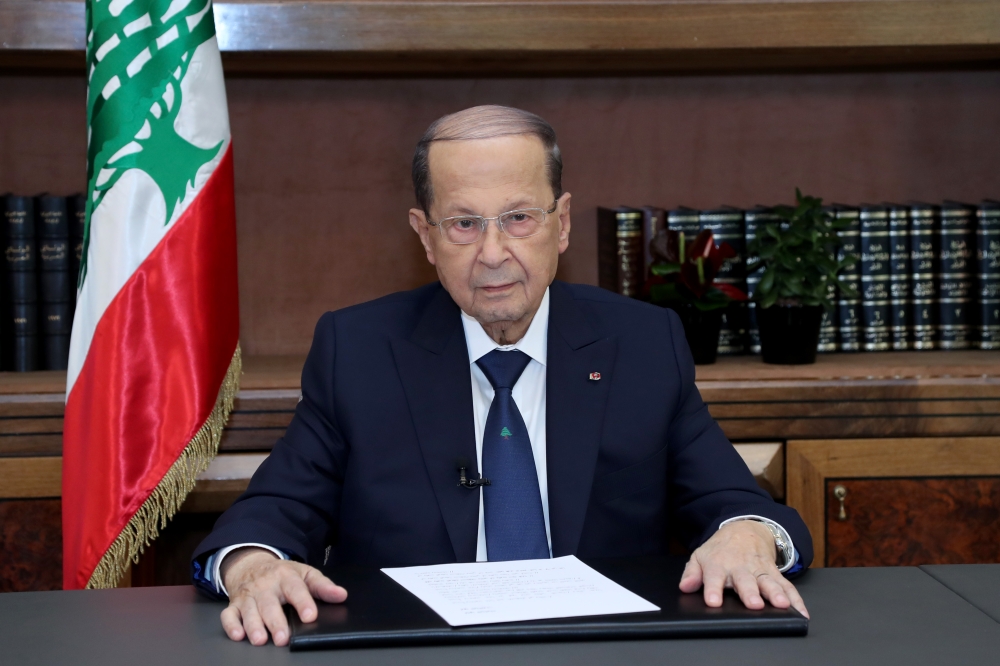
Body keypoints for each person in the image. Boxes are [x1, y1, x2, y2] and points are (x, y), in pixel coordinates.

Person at [192, 105, 813, 647]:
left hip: (601, 651)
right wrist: (253, 566)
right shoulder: (358, 351)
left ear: (561, 223)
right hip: (414, 653)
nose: (492, 254)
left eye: (518, 217)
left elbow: (733, 503)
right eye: (464, 224)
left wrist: (747, 535)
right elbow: (276, 509)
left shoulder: (642, 345)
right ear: (425, 236)